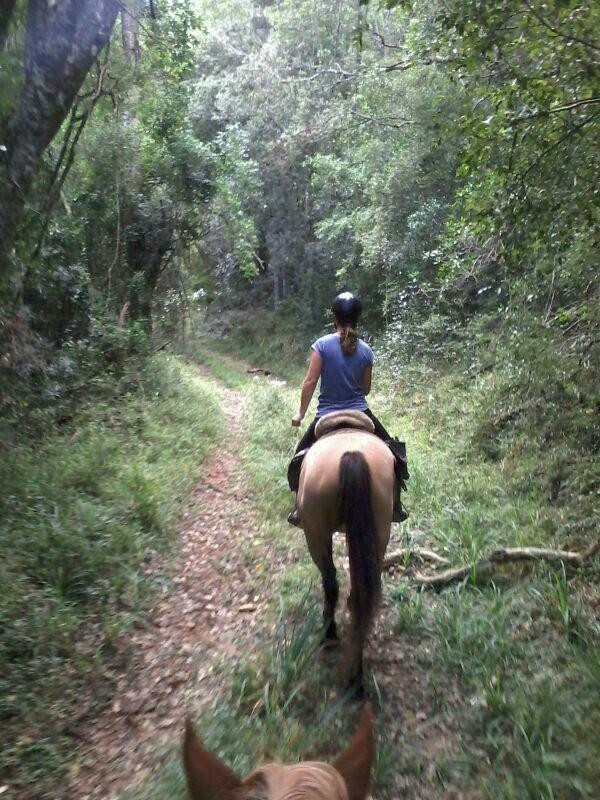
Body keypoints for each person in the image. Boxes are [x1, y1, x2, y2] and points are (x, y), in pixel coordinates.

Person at [287, 291, 409, 527]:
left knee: (298, 459)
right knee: (395, 455)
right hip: (360, 413)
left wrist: (300, 413)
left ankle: (299, 508)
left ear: (334, 318)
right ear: (357, 318)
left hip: (326, 415)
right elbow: (365, 389)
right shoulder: (366, 351)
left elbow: (310, 381)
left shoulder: (322, 345)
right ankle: (396, 506)